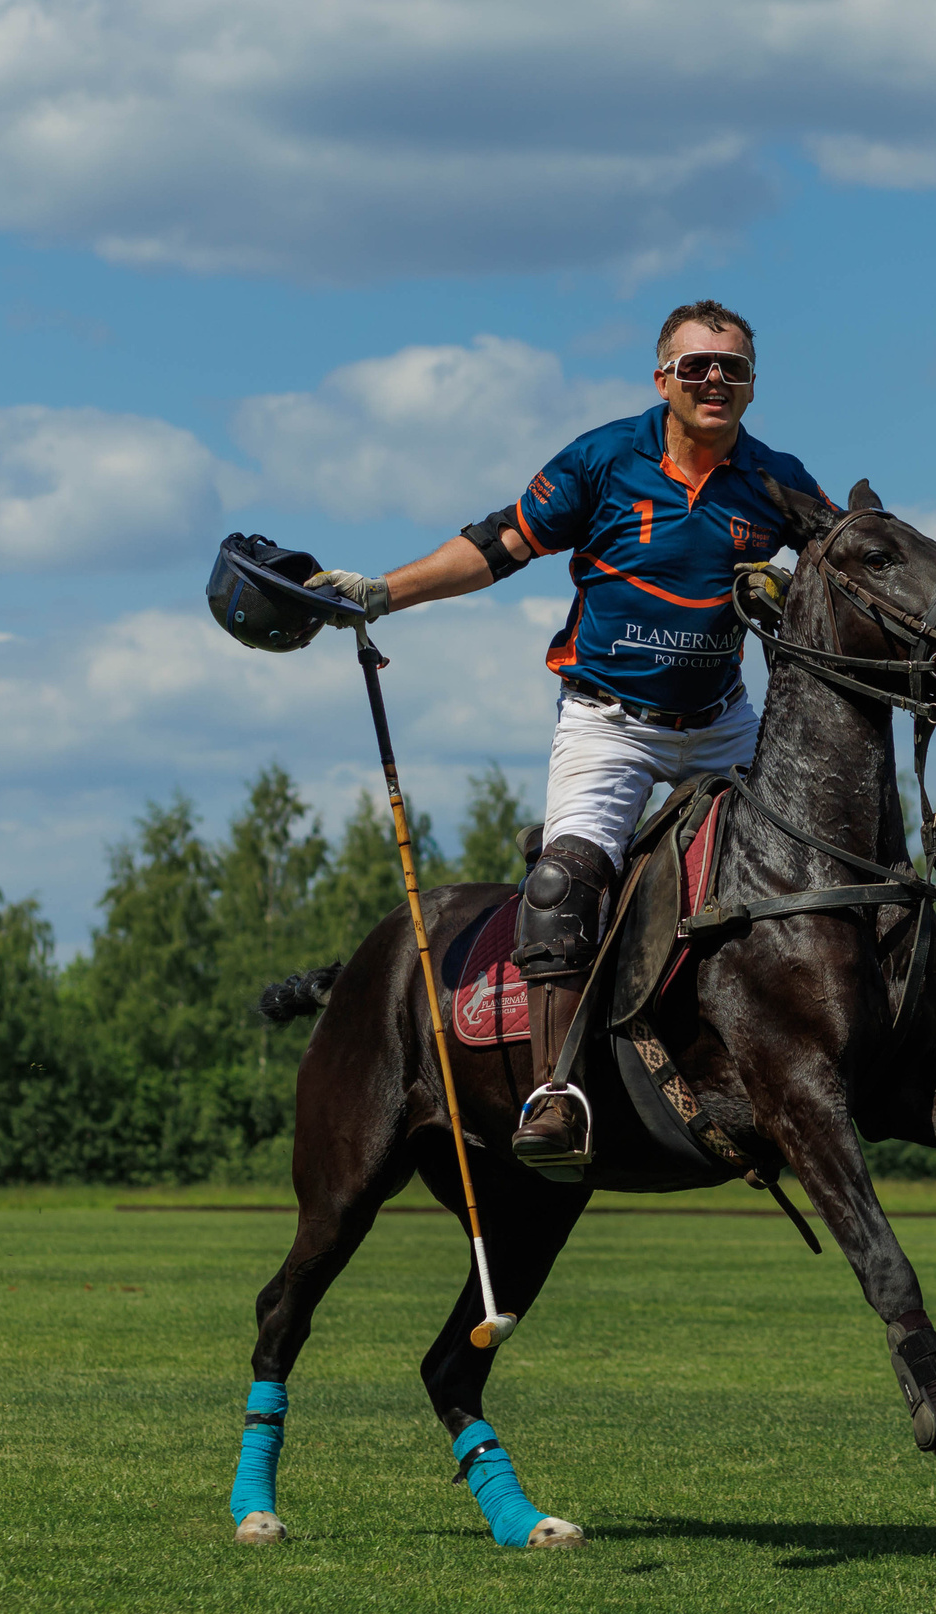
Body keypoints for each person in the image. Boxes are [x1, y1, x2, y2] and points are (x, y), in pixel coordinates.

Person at [308, 301, 826, 1171]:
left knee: (800, 878)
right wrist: (381, 592)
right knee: (564, 883)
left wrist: (795, 590)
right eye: (695, 366)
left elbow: (848, 569)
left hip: (721, 722)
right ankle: (559, 1095)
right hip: (608, 723)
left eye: (731, 369)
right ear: (662, 378)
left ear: (750, 384)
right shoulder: (602, 458)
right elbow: (501, 543)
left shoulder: (776, 479)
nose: (713, 381)